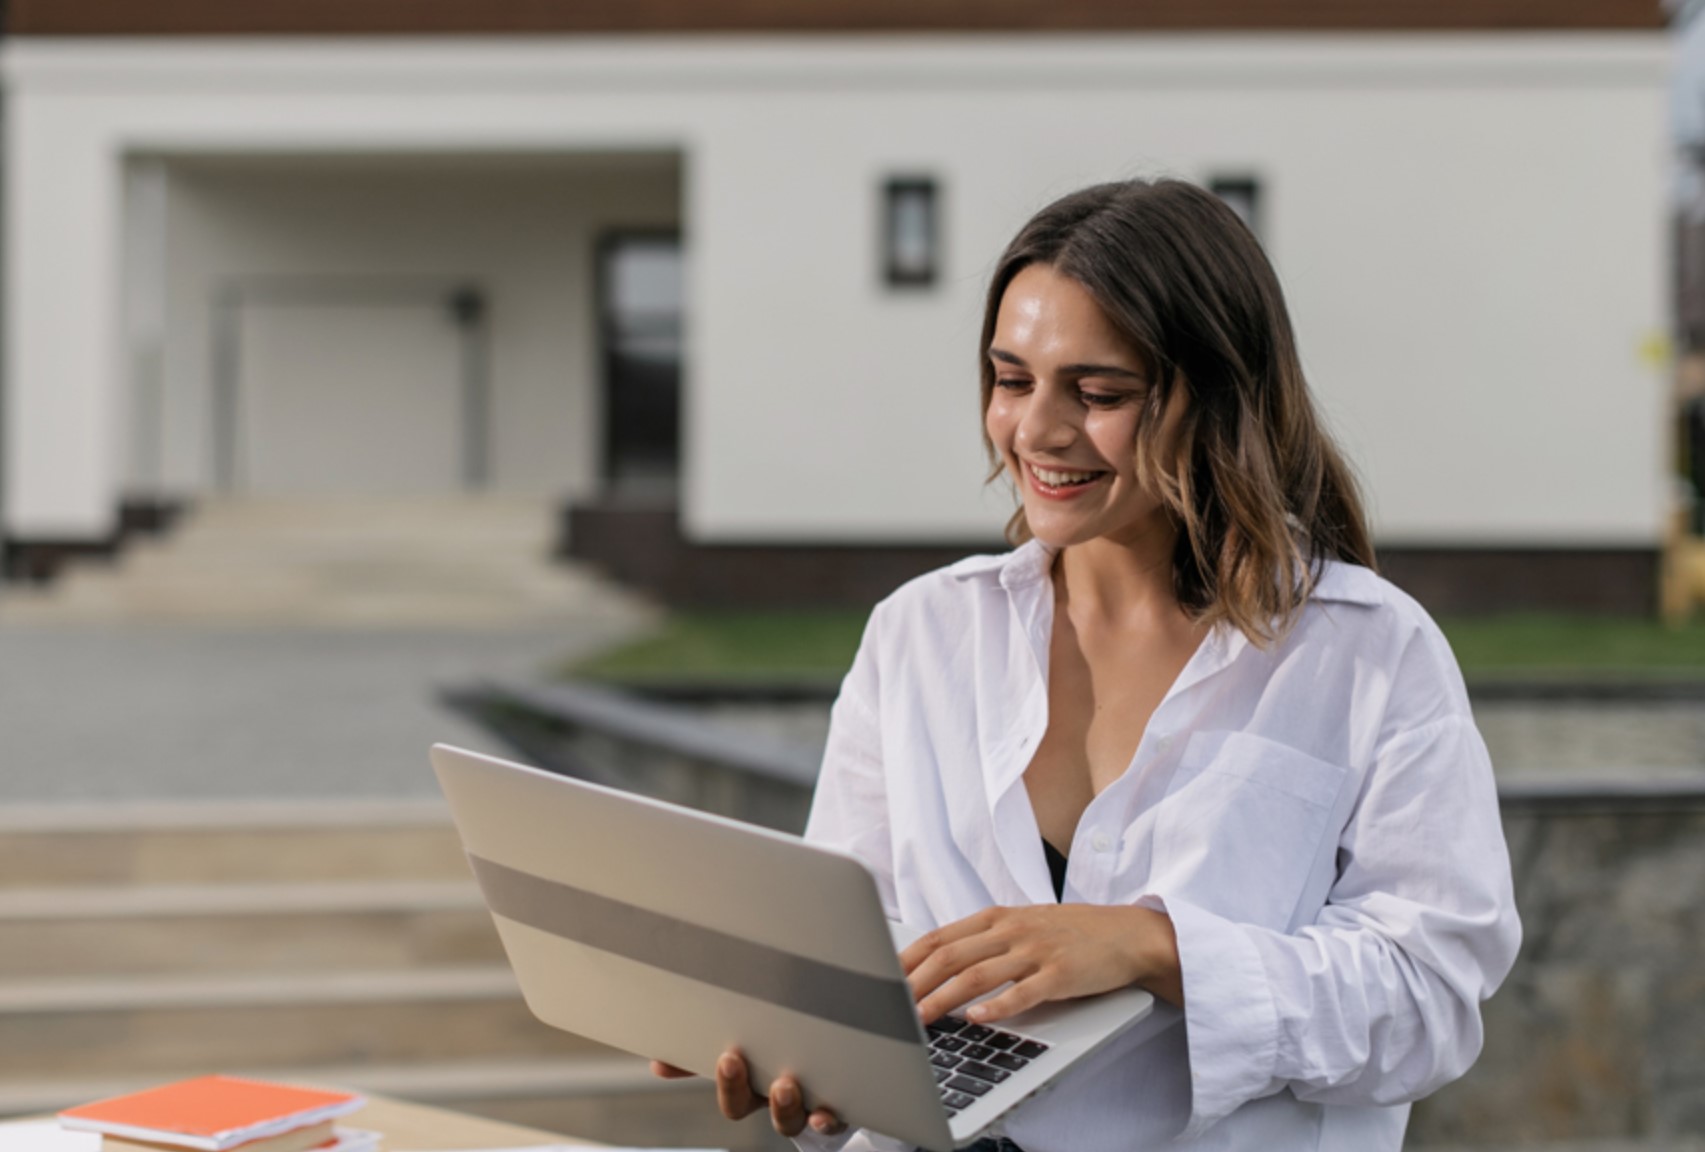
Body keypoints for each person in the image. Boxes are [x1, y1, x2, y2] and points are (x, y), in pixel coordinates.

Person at [652, 178, 1522, 1151]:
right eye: (1010, 379)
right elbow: (864, 945)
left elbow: (1430, 1001)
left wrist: (1154, 948)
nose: (1036, 431)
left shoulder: (1367, 653)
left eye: (1097, 392)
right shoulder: (920, 636)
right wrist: (796, 1044)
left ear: (1217, 396)